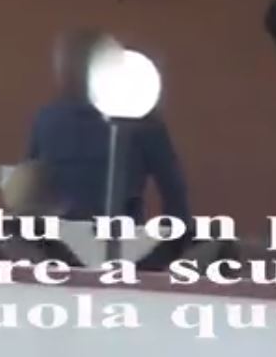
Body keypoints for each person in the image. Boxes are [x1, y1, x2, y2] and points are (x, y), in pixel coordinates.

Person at [27, 28, 190, 224]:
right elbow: (173, 189)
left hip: (70, 235)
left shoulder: (48, 119)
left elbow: (26, 189)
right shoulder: (141, 120)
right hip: (112, 234)